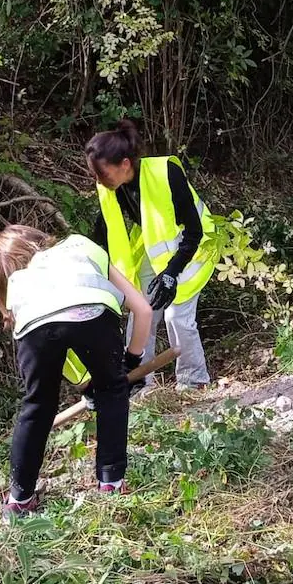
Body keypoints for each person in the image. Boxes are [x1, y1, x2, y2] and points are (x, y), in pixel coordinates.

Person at [0, 225, 152, 520]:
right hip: (93, 317)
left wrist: (87, 384)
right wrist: (130, 363)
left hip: (35, 328)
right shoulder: (80, 247)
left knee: (37, 405)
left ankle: (19, 498)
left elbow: (55, 342)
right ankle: (111, 484)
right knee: (113, 392)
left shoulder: (20, 282)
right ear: (39, 239)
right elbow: (144, 310)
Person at [86, 120, 218, 390]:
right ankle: (139, 383)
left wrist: (171, 274)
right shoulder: (113, 186)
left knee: (176, 317)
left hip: (194, 245)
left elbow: (194, 232)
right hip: (157, 250)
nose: (99, 181)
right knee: (141, 311)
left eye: (103, 174)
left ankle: (194, 382)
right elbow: (103, 231)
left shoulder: (165, 172)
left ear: (125, 164)